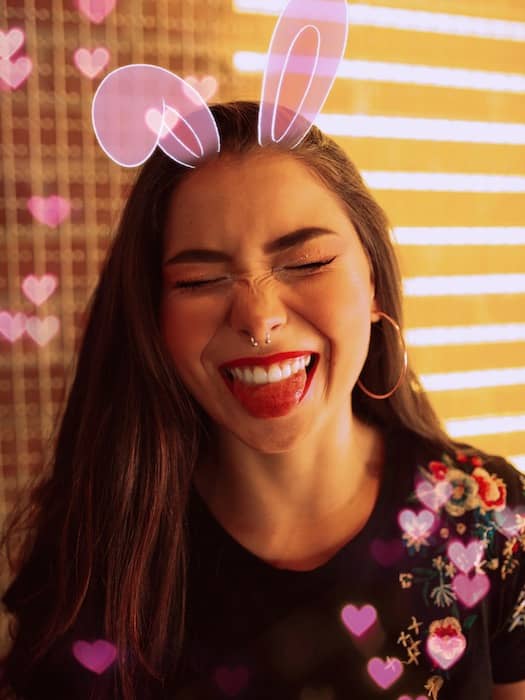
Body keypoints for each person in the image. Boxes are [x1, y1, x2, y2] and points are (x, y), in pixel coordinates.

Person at [0, 101, 524, 700]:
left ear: (374, 282)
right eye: (198, 281)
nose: (258, 318)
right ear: (153, 319)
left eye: (306, 262)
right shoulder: (94, 555)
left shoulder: (491, 520)